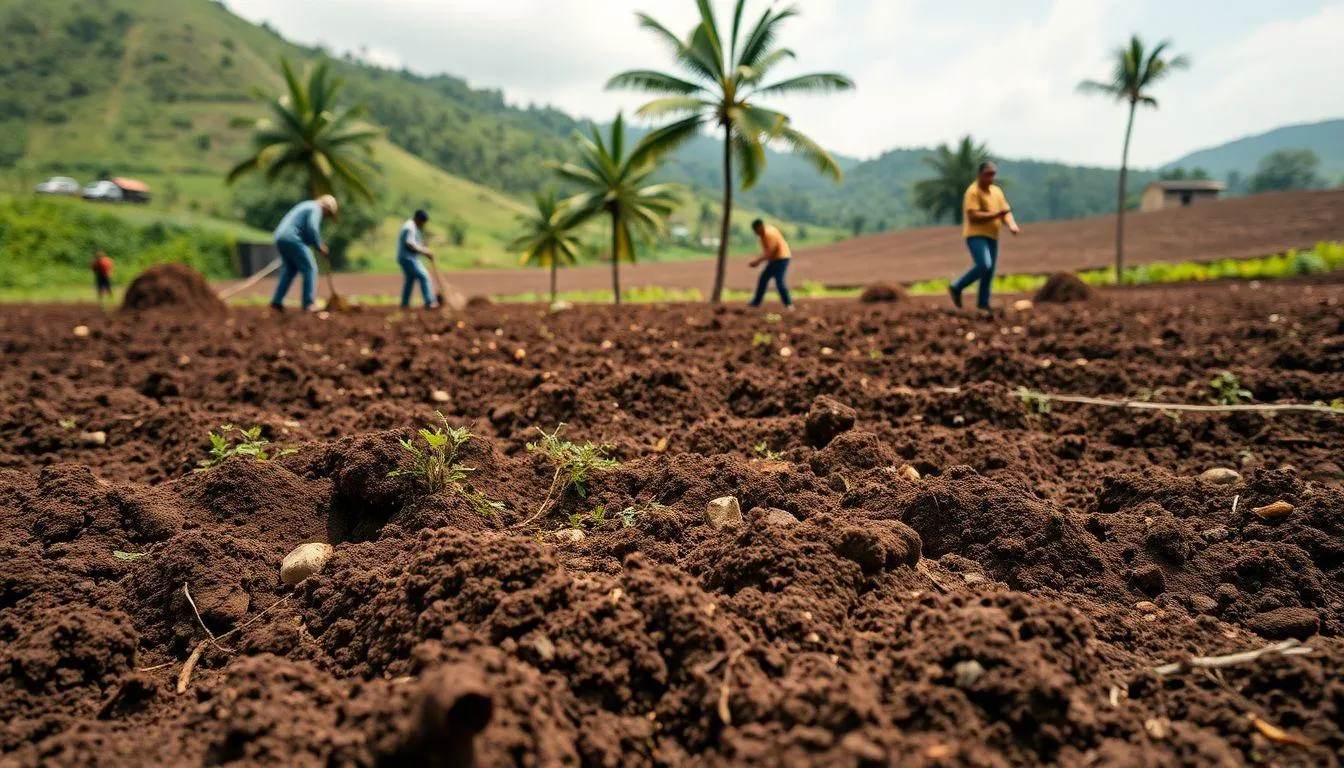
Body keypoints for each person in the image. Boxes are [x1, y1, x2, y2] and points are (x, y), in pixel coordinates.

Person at [949, 161, 1019, 310]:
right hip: (976, 235)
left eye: (993, 174)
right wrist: (996, 215)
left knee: (989, 270)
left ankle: (983, 304)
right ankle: (957, 286)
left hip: (992, 236)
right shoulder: (972, 192)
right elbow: (973, 215)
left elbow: (1005, 212)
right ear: (980, 175)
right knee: (984, 264)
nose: (991, 177)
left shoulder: (996, 192)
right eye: (988, 174)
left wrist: (1012, 224)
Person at [270, 194, 338, 312]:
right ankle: (308, 303)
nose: (326, 216)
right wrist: (319, 245)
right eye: (328, 214)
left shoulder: (307, 205)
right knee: (310, 268)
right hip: (292, 238)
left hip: (280, 237)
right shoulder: (315, 208)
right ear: (326, 208)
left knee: (290, 270)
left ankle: (276, 302)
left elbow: (304, 229)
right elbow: (311, 228)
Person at [397, 209, 439, 309]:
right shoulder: (410, 227)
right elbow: (409, 245)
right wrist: (425, 252)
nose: (423, 225)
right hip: (408, 258)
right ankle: (429, 302)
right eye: (422, 222)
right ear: (418, 219)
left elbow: (413, 244)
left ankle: (404, 304)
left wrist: (424, 250)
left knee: (410, 280)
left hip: (405, 257)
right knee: (423, 276)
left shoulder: (412, 226)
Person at [748, 218, 793, 309]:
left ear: (760, 227)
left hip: (781, 258)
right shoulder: (764, 234)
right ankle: (756, 303)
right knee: (763, 279)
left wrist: (757, 261)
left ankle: (788, 304)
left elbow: (770, 251)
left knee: (779, 281)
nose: (756, 233)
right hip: (774, 260)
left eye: (756, 230)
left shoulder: (769, 234)